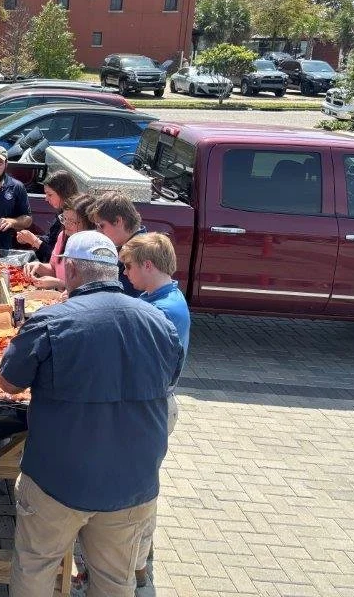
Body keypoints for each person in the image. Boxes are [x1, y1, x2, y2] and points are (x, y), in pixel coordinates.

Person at [0, 230, 184, 597]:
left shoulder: (52, 321)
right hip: (132, 482)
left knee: (35, 567)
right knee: (116, 581)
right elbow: (170, 381)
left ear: (73, 271)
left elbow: (7, 382)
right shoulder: (160, 322)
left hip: (59, 479)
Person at [118, 232, 191, 588]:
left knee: (140, 491)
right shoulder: (158, 298)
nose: (125, 272)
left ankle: (134, 566)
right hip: (152, 404)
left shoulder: (162, 311)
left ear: (148, 265)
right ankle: (136, 562)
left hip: (152, 407)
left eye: (129, 266)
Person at [23, 193, 96, 289]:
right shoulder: (63, 236)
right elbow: (54, 269)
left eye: (72, 221)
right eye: (64, 219)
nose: (66, 224)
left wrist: (59, 283)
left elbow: (91, 289)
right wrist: (39, 266)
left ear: (88, 223)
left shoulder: (94, 248)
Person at [88, 191, 148, 297]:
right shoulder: (126, 246)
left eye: (101, 226)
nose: (99, 232)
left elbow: (125, 297)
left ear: (118, 221)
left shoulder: (139, 253)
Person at [15, 170, 79, 260]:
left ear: (63, 193)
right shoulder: (61, 213)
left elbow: (58, 257)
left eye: (50, 194)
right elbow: (51, 239)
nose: (46, 199)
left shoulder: (74, 219)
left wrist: (34, 241)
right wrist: (29, 238)